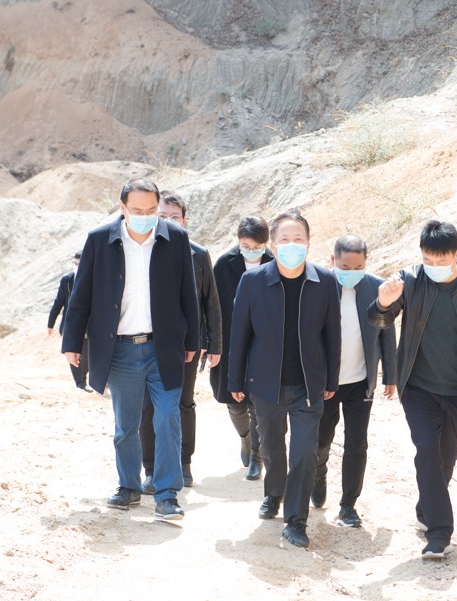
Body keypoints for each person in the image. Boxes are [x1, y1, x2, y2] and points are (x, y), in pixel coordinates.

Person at [62, 178, 199, 521]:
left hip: (163, 347)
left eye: (151, 210)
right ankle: (129, 486)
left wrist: (193, 341)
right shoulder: (99, 240)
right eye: (137, 210)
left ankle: (167, 494)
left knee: (168, 417)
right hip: (120, 349)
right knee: (127, 425)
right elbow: (81, 295)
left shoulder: (175, 238)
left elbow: (189, 293)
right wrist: (72, 343)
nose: (145, 216)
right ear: (122, 208)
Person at [368, 220, 457, 559]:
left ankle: (426, 507)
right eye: (427, 260)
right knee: (427, 448)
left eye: (440, 261)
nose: (433, 267)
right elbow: (379, 321)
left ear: (456, 255)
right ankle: (440, 533)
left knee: (446, 456)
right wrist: (383, 303)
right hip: (417, 387)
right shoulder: (411, 280)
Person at [228, 212, 341, 549]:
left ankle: (296, 520)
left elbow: (332, 335)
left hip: (308, 385)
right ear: (273, 245)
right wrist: (235, 379)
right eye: (285, 240)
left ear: (308, 243)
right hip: (266, 384)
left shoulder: (325, 281)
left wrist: (331, 379)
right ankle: (274, 493)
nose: (293, 246)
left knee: (304, 452)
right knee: (271, 447)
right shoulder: (252, 281)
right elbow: (240, 334)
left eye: (299, 239)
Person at [138, 191, 222, 491]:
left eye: (174, 217)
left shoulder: (198, 253)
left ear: (184, 221)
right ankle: (150, 469)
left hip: (187, 345)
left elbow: (211, 302)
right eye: (162, 216)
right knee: (148, 407)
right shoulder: (142, 251)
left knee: (183, 404)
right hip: (147, 341)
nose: (168, 221)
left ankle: (184, 463)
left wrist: (214, 345)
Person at [313, 234, 396, 528]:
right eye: (345, 267)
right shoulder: (319, 285)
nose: (351, 272)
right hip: (326, 383)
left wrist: (390, 375)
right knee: (321, 439)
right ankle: (318, 473)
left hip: (361, 382)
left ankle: (348, 505)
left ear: (366, 262)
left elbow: (386, 331)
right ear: (333, 260)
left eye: (358, 266)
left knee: (357, 444)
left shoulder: (376, 288)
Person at [210, 216, 274, 481]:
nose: (252, 250)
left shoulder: (275, 263)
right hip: (230, 342)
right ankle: (246, 438)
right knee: (233, 402)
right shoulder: (224, 264)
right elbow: (212, 307)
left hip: (265, 343)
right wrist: (211, 343)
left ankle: (257, 457)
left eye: (257, 246)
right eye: (246, 246)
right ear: (238, 241)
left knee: (259, 403)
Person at [47, 251, 91, 392]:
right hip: (70, 325)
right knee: (73, 352)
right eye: (75, 264)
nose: (77, 267)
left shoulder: (94, 279)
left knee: (87, 356)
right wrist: (50, 323)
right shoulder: (67, 280)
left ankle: (86, 379)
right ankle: (80, 383)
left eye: (80, 264)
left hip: (89, 326)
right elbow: (58, 302)